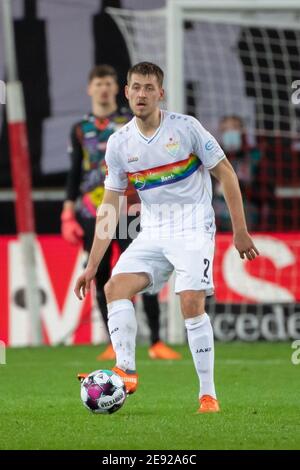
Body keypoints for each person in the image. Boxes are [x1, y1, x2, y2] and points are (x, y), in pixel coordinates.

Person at [74, 62, 259, 413]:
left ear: (161, 93)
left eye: (148, 88)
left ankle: (208, 395)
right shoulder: (119, 144)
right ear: (126, 92)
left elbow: (227, 175)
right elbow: (109, 208)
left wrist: (240, 231)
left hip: (193, 227)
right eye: (135, 87)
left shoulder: (186, 128)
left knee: (190, 303)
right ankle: (125, 372)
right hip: (153, 230)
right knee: (114, 287)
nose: (141, 94)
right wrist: (91, 265)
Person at [61, 64, 180, 361]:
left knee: (141, 268)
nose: (103, 89)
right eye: (98, 83)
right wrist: (67, 213)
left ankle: (155, 340)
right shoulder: (79, 129)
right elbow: (74, 173)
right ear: (90, 89)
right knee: (100, 273)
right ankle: (115, 342)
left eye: (108, 83)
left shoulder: (131, 121)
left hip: (131, 206)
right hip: (93, 211)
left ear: (118, 89)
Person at [213, 115, 262, 231]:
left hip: (246, 208)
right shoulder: (213, 156)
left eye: (234, 128)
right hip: (217, 212)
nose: (230, 133)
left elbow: (261, 188)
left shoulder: (254, 155)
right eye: (225, 130)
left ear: (242, 131)